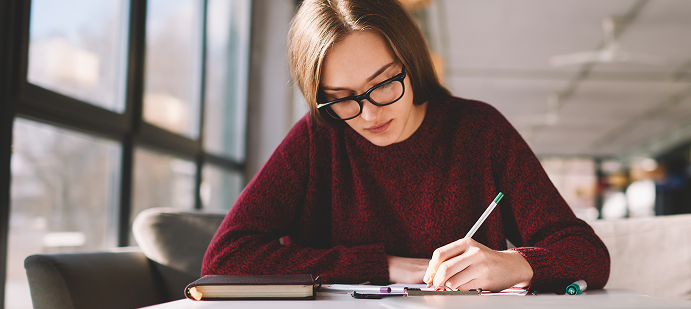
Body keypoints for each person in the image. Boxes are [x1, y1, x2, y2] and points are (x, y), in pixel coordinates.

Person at [201, 0, 610, 292]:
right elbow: (224, 259)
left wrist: (516, 264)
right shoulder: (317, 137)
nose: (368, 115)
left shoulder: (479, 130)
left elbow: (588, 253)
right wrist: (381, 266)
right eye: (342, 97)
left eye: (382, 84)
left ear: (411, 62)